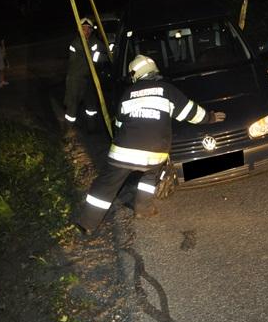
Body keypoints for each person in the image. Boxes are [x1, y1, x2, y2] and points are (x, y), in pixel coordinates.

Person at [75, 54, 226, 233]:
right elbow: (191, 113)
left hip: (123, 153)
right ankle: (143, 209)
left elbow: (119, 125)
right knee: (149, 177)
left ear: (135, 75)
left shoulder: (128, 94)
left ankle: (86, 224)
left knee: (106, 185)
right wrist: (211, 117)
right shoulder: (167, 91)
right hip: (154, 154)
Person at [64, 17, 108, 131]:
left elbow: (105, 55)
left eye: (89, 28)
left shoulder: (96, 43)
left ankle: (92, 128)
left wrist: (98, 56)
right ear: (79, 30)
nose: (86, 31)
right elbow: (77, 60)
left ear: (92, 30)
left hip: (90, 80)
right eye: (83, 28)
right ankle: (68, 129)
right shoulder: (75, 44)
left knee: (91, 106)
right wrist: (94, 56)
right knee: (72, 105)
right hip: (76, 80)